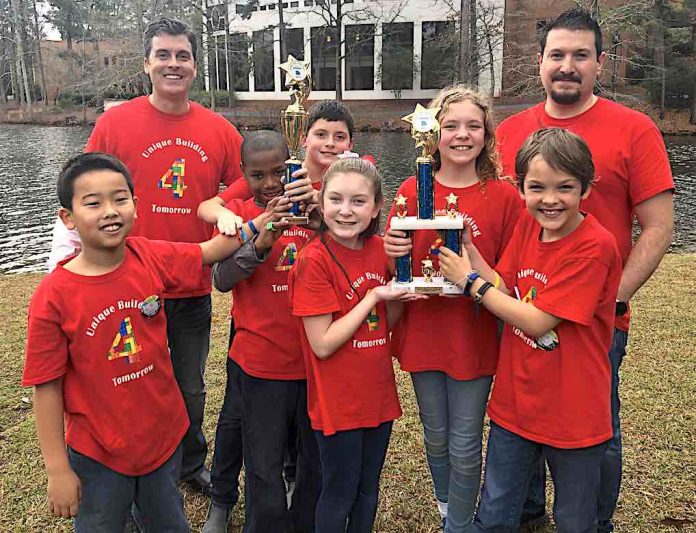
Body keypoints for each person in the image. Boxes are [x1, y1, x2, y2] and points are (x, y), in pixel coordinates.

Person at [46, 17, 248, 493]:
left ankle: (188, 462)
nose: (172, 64)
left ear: (195, 66)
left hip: (191, 281)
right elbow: (85, 185)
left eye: (182, 55)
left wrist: (219, 204)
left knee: (190, 386)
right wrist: (68, 257)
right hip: (129, 283)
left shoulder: (217, 128)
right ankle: (136, 466)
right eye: (163, 55)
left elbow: (250, 178)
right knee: (135, 380)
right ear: (146, 63)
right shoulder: (116, 122)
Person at [495, 9, 674, 531]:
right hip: (521, 307)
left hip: (595, 321)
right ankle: (526, 512)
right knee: (518, 418)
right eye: (557, 55)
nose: (567, 66)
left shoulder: (634, 130)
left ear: (600, 61)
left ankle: (591, 521)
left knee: (597, 429)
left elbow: (658, 226)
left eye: (580, 55)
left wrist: (610, 297)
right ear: (540, 62)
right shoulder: (510, 132)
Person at [22, 152, 265, 532]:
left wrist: (264, 222)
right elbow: (47, 385)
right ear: (67, 218)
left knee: (167, 522)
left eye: (119, 199)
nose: (109, 211)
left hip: (162, 440)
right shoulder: (54, 296)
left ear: (135, 206)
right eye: (93, 203)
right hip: (98, 452)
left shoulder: (147, 255)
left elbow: (208, 252)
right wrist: (58, 470)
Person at [438, 128, 622, 531]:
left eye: (565, 188)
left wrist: (469, 282)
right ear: (520, 187)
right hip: (515, 405)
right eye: (536, 188)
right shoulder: (526, 225)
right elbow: (505, 287)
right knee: (496, 513)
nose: (550, 200)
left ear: (586, 189)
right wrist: (470, 252)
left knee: (575, 520)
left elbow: (537, 320)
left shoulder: (595, 246)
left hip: (574, 411)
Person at [383, 85, 522, 531]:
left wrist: (470, 259)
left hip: (472, 337)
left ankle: (459, 525)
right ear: (433, 134)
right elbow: (395, 266)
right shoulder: (411, 188)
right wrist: (391, 250)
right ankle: (448, 510)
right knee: (435, 437)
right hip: (425, 333)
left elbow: (512, 280)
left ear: (487, 135)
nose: (462, 135)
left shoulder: (503, 197)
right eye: (451, 126)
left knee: (464, 443)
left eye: (473, 126)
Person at [289, 157, 423, 532]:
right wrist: (374, 296)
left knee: (368, 492)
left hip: (377, 394)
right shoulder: (312, 261)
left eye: (358, 201)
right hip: (338, 401)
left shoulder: (381, 249)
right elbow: (323, 344)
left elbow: (387, 326)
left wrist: (397, 294)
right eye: (335, 200)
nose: (345, 211)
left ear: (377, 206)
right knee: (339, 493)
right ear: (321, 202)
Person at [203, 131, 321, 533]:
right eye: (258, 175)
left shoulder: (312, 206)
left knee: (311, 460)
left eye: (278, 172)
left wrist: (321, 214)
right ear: (242, 174)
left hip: (314, 361)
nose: (270, 184)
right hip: (260, 363)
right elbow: (221, 278)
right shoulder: (236, 214)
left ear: (293, 165)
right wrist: (259, 244)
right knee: (263, 463)